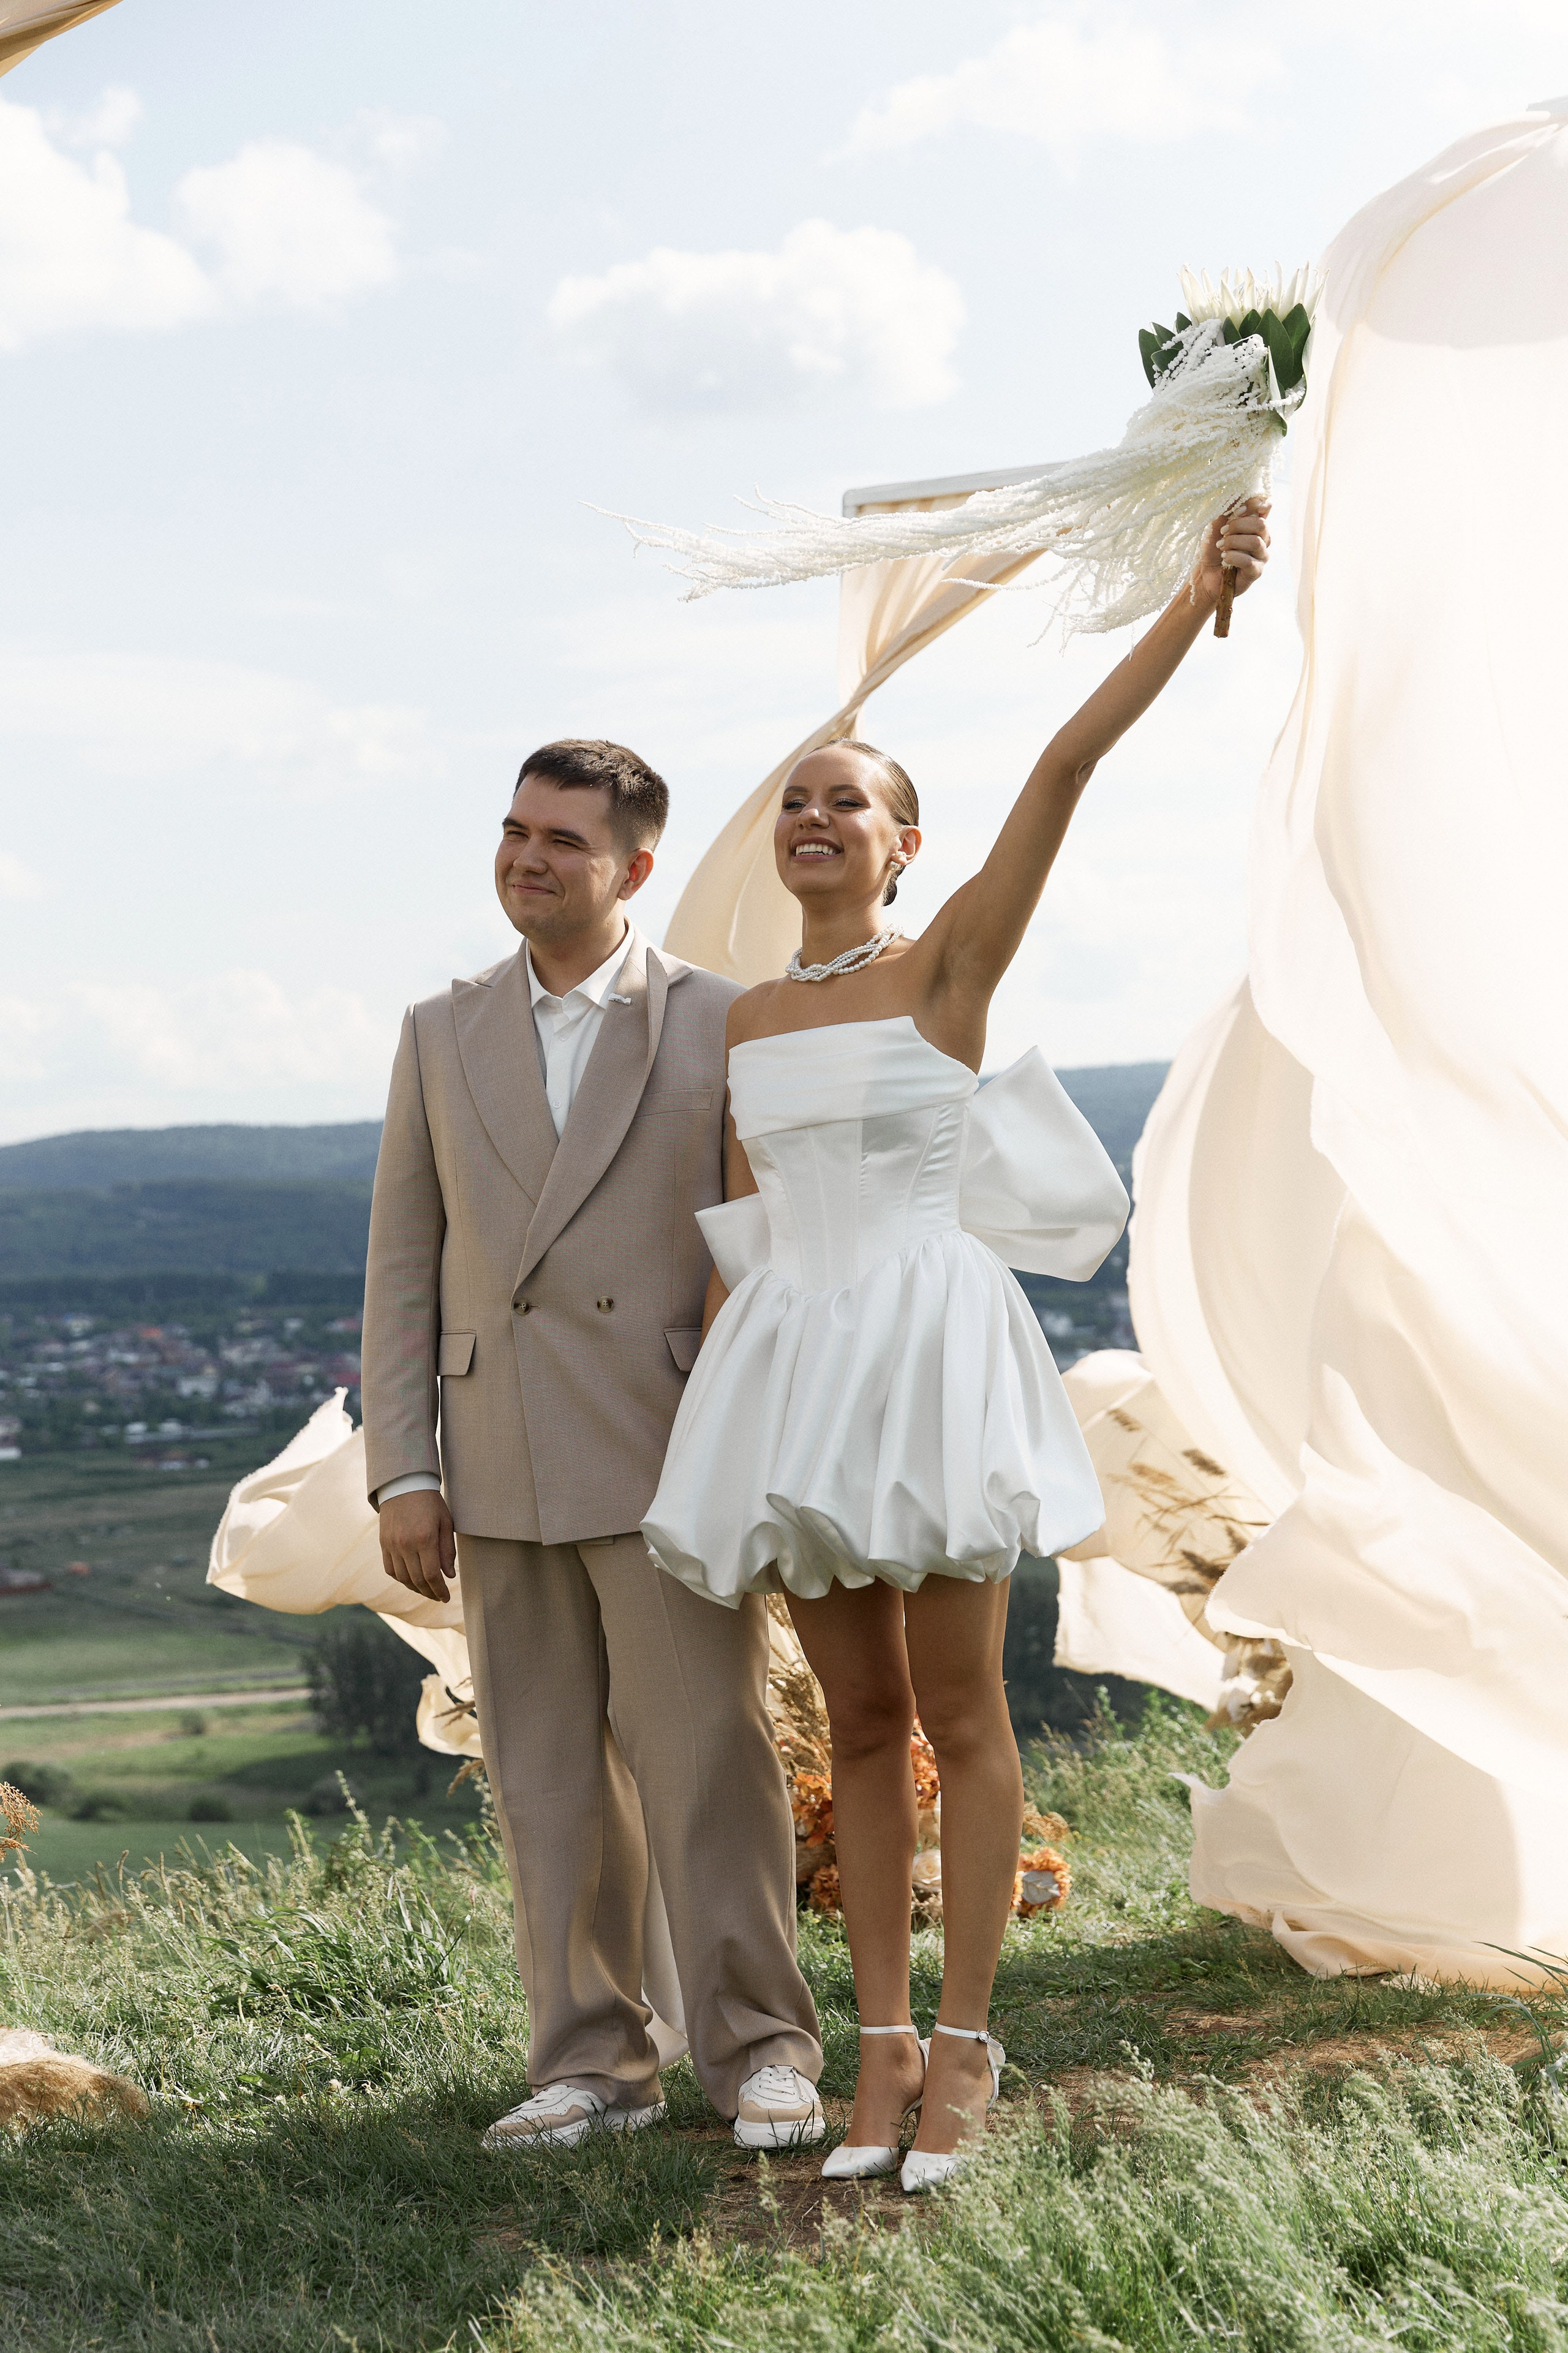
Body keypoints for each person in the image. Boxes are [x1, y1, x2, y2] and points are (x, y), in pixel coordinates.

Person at [643, 502, 1272, 2190]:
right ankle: (881, 2053)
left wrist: (1190, 591)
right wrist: (719, 1405)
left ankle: (974, 2044)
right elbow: (736, 1227)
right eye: (796, 798)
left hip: (925, 1344)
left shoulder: (946, 971)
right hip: (795, 1361)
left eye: (848, 797)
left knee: (962, 1705)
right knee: (850, 1728)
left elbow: (1064, 766)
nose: (813, 815)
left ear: (907, 843)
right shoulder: (746, 1017)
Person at [363, 738, 824, 2153]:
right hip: (493, 1452)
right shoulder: (439, 1031)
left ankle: (758, 2051)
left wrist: (751, 1445)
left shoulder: (719, 1020)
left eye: (561, 840)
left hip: (668, 1447)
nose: (525, 856)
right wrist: (404, 1466)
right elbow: (402, 1257)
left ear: (633, 867)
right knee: (549, 1780)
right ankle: (588, 2063)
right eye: (513, 829)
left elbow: (766, 1250)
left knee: (708, 1766)